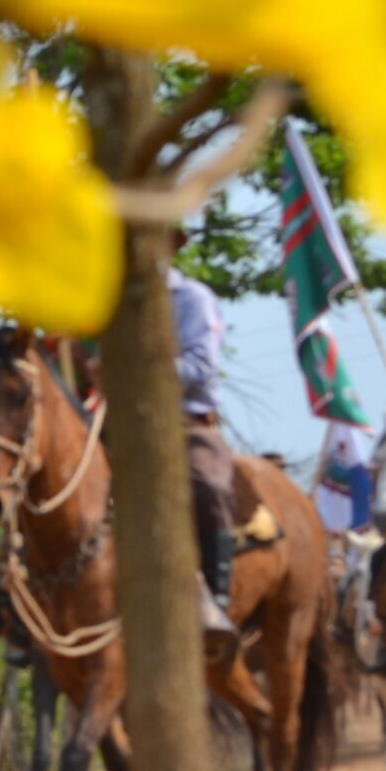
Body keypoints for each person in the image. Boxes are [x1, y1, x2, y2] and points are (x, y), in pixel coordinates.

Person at [167, 255, 242, 653]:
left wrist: (139, 367)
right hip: (113, 422)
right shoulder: (105, 302)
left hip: (185, 422)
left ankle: (215, 602)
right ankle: (15, 599)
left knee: (210, 487)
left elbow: (201, 363)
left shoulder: (191, 298)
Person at [313, 417, 375, 536]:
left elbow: (359, 470)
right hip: (325, 509)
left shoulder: (347, 432)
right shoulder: (335, 430)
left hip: (344, 514)